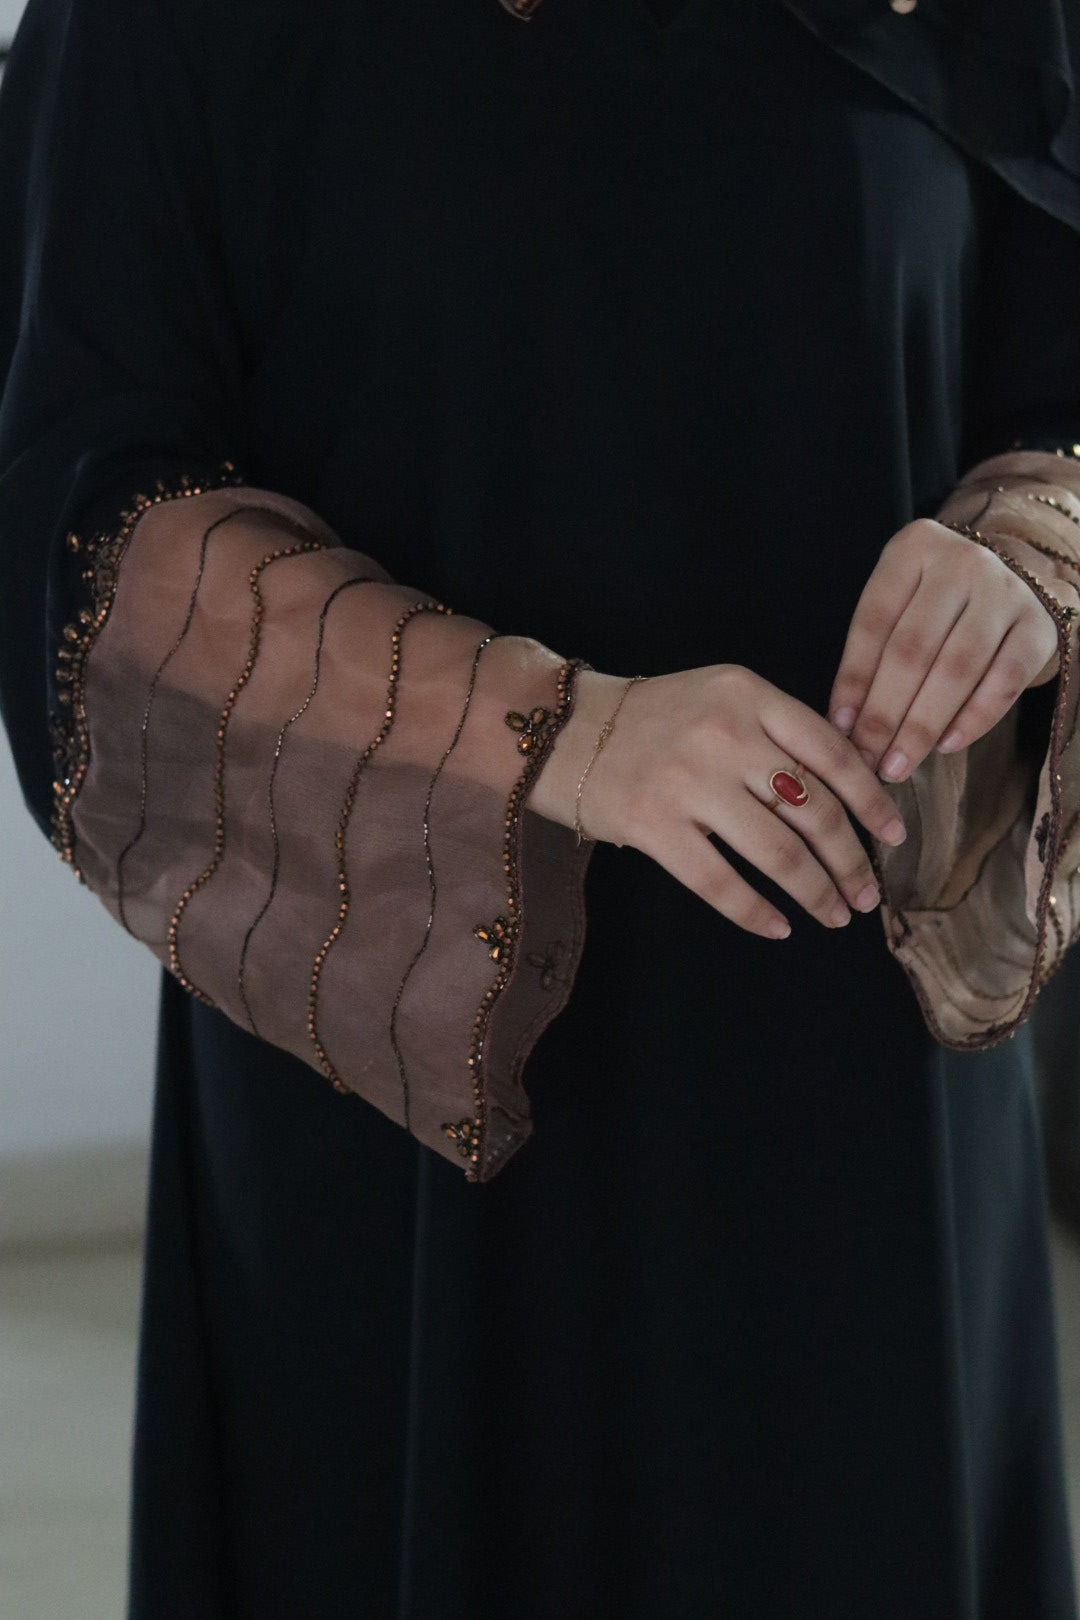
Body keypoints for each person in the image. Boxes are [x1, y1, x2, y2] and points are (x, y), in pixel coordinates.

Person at [2, 0, 1080, 1613]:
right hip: (405, 1073)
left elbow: (1056, 380)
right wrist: (567, 735)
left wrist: (1026, 554)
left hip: (854, 1070)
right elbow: (84, 539)